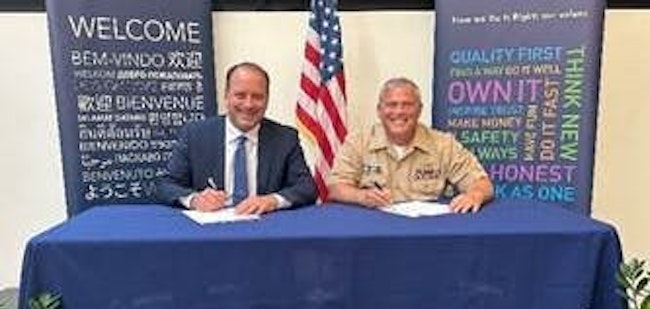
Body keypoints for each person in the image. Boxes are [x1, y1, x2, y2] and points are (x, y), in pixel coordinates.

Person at [156, 62, 317, 214]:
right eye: (240, 95)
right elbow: (166, 185)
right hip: (211, 231)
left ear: (267, 99)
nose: (248, 104)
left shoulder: (285, 138)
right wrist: (195, 200)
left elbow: (307, 188)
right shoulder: (195, 134)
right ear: (226, 96)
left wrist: (273, 200)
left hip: (265, 228)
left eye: (257, 97)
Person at [328, 77, 494, 213]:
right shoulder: (358, 142)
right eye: (391, 105)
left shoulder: (443, 144)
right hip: (373, 228)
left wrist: (474, 195)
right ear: (379, 110)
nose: (399, 112)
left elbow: (482, 183)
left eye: (407, 105)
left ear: (419, 110)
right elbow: (336, 187)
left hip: (426, 231)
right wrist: (361, 196)